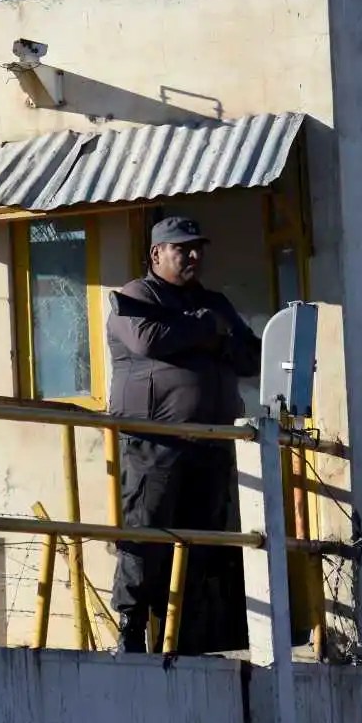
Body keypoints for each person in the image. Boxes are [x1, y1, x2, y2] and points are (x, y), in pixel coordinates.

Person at [106, 215, 262, 654]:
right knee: (147, 535)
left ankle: (186, 635)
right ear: (157, 254)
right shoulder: (134, 297)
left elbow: (250, 356)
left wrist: (212, 336)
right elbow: (147, 340)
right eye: (182, 249)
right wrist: (207, 330)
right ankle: (131, 631)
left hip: (209, 444)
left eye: (198, 248)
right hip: (156, 443)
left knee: (201, 540)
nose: (194, 256)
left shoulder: (214, 302)